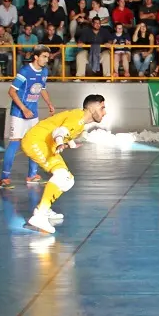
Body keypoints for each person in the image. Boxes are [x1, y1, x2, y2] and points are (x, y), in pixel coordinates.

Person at [22, 94, 108, 234]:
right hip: (36, 141)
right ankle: (39, 216)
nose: (105, 112)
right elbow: (59, 131)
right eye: (102, 107)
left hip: (46, 143)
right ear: (92, 108)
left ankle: (43, 208)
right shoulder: (78, 119)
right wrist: (61, 142)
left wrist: (71, 143)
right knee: (61, 176)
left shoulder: (80, 122)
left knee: (68, 180)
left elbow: (66, 130)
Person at [0, 45, 56, 189]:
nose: (46, 60)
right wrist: (23, 109)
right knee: (14, 143)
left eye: (47, 57)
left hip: (33, 114)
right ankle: (4, 178)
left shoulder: (44, 71)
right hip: (19, 113)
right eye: (44, 56)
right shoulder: (25, 71)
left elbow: (42, 88)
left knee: (35, 143)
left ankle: (32, 175)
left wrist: (49, 103)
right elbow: (11, 92)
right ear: (36, 57)